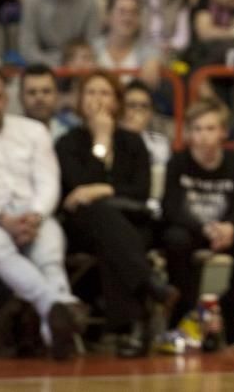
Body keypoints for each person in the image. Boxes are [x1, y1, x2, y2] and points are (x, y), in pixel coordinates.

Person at [0, 67, 83, 360]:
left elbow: (49, 180)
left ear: (6, 99)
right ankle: (57, 305)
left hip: (34, 212)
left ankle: (55, 323)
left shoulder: (33, 131)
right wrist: (2, 220)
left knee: (49, 247)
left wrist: (35, 215)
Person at [55, 70, 178, 357]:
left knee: (111, 232)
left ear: (117, 101)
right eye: (91, 92)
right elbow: (74, 189)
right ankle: (147, 291)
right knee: (102, 219)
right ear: (79, 100)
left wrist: (100, 190)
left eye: (105, 93)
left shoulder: (133, 142)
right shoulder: (68, 143)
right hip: (82, 228)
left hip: (131, 221)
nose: (98, 100)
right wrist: (100, 142)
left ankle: (130, 326)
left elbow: (140, 191)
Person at [161, 98, 234, 346]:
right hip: (191, 229)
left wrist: (230, 227)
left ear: (223, 132)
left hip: (224, 230)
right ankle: (187, 311)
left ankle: (231, 309)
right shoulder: (178, 162)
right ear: (188, 134)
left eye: (210, 128)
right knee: (175, 240)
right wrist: (205, 229)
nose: (204, 136)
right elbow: (170, 209)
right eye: (197, 129)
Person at [92, 0, 163, 89]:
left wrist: (155, 61)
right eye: (122, 12)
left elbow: (158, 55)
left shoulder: (149, 54)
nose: (128, 18)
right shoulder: (92, 49)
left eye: (133, 12)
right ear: (108, 16)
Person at [120, 79, 171, 200]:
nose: (138, 111)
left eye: (144, 106)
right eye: (132, 105)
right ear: (120, 108)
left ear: (151, 112)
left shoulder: (160, 143)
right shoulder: (108, 138)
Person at [18, 63, 75, 141]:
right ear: (20, 97)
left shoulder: (70, 132)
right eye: (32, 92)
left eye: (46, 91)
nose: (39, 98)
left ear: (56, 95)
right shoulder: (10, 135)